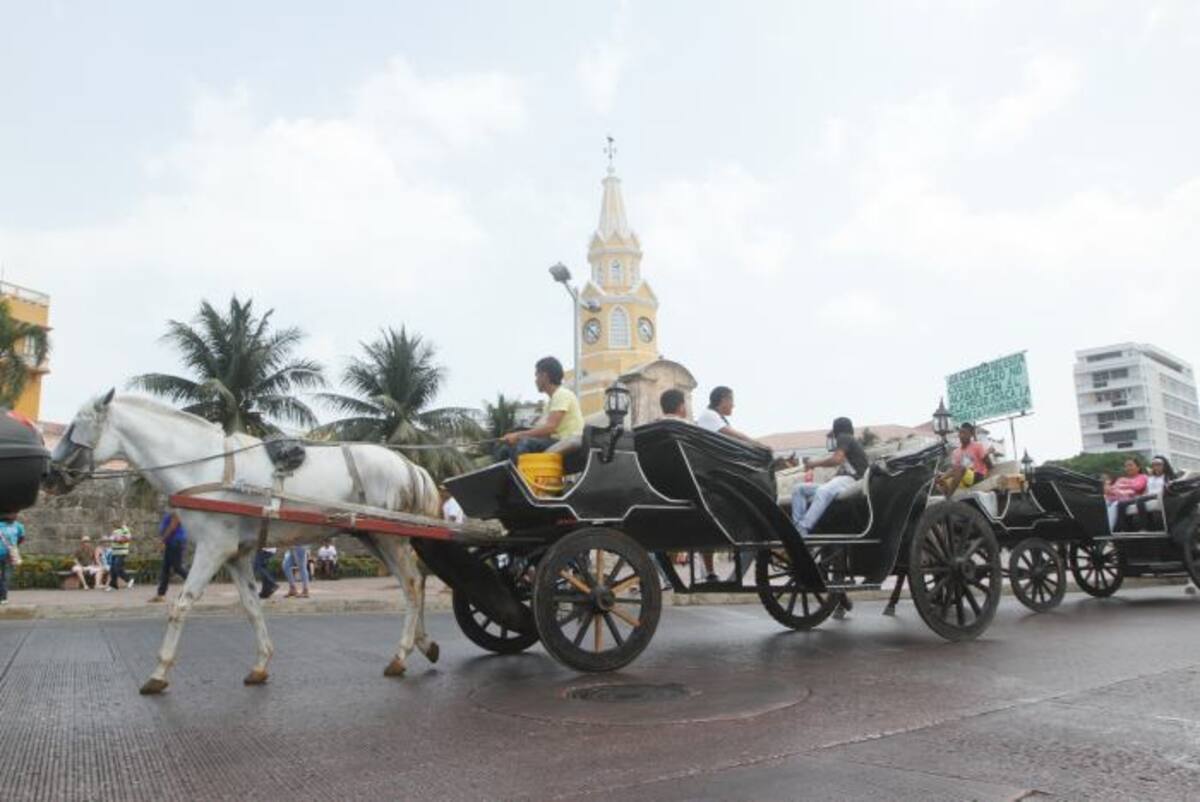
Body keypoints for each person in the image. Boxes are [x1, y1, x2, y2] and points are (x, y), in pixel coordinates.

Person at [496, 356, 584, 462]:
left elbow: (550, 428)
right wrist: (513, 437)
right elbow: (543, 432)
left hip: (568, 441)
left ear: (544, 376)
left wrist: (518, 436)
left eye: (536, 376)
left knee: (525, 444)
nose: (535, 380)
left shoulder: (562, 394)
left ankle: (523, 477)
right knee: (505, 449)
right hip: (555, 441)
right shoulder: (549, 403)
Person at [695, 387, 766, 447]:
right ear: (724, 400)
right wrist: (759, 445)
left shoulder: (716, 417)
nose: (733, 405)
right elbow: (738, 436)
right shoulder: (709, 414)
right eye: (732, 400)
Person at [938, 422, 995, 496]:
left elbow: (989, 464)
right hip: (961, 479)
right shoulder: (956, 451)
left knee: (961, 468)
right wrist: (943, 475)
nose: (961, 435)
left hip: (976, 477)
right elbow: (953, 469)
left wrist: (987, 457)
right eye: (960, 433)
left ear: (970, 434)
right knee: (943, 478)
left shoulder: (977, 446)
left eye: (964, 433)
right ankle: (941, 480)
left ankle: (948, 496)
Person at [1122, 455, 1175, 530]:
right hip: (1148, 496)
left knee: (1140, 500)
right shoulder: (1151, 477)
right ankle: (1127, 528)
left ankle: (1144, 527)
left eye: (1159, 465)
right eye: (1154, 465)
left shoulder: (1167, 477)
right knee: (1126, 503)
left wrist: (1142, 497)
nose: (1156, 467)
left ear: (1164, 465)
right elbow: (1147, 490)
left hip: (1160, 496)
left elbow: (1169, 489)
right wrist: (1142, 495)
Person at [150, 511, 189, 602]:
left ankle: (194, 585)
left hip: (175, 542)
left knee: (177, 567)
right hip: (171, 542)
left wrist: (162, 540)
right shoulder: (172, 510)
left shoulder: (176, 510)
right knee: (166, 569)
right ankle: (160, 594)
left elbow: (173, 526)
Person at [1103, 457, 1148, 532]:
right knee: (1102, 502)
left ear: (1138, 467)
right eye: (1126, 466)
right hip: (1116, 497)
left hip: (1131, 498)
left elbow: (1138, 487)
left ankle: (1110, 529)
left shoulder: (1142, 477)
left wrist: (1124, 485)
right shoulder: (1122, 479)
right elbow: (1113, 489)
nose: (1128, 468)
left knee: (1115, 505)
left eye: (1130, 465)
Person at [0, 514, 26, 605]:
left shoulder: (19, 526)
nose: (14, 516)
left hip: (9, 555)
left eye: (15, 514)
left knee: (5, 577)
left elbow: (22, 538)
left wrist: (13, 548)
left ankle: (3, 597)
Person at [105, 522, 134, 591]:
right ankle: (113, 585)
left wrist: (115, 539)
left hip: (121, 552)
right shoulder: (115, 531)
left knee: (117, 567)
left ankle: (129, 580)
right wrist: (113, 538)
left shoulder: (124, 530)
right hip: (115, 552)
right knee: (112, 569)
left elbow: (126, 538)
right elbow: (114, 538)